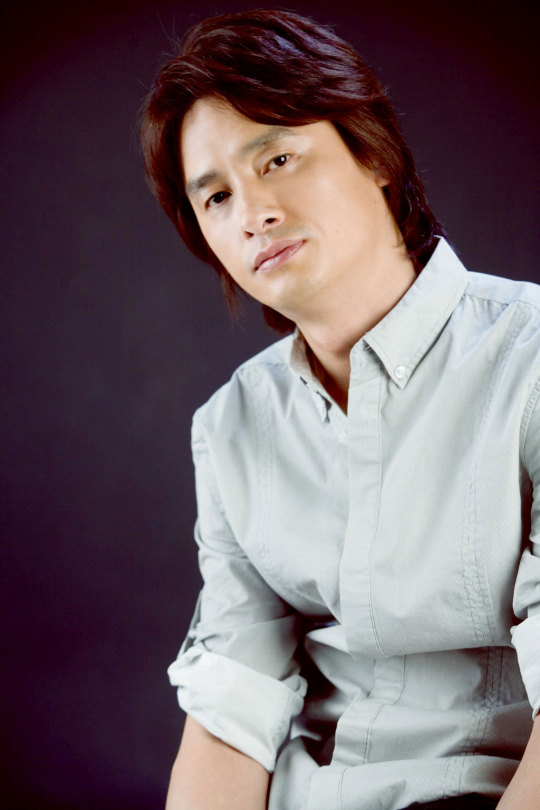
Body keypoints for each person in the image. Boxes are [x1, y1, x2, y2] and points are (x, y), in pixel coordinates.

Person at [140, 9, 540, 810]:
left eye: (277, 158)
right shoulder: (231, 427)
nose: (252, 213)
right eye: (215, 197)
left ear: (374, 153)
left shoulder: (528, 361)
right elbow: (230, 713)